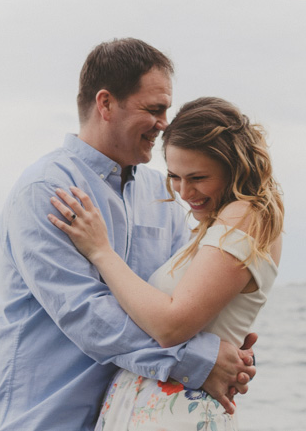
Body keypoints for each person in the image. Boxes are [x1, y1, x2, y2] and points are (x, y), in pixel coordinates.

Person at [0, 39, 256, 431]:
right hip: (41, 419)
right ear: (105, 104)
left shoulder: (162, 192)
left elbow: (175, 300)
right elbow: (87, 313)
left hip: (126, 418)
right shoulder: (46, 190)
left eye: (166, 111)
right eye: (154, 110)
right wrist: (199, 359)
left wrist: (228, 346)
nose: (164, 124)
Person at [48, 96, 284, 431]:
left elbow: (172, 326)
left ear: (233, 168)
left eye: (198, 177)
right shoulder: (217, 226)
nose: (185, 192)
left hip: (176, 416)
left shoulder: (244, 215)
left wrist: (101, 251)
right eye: (175, 176)